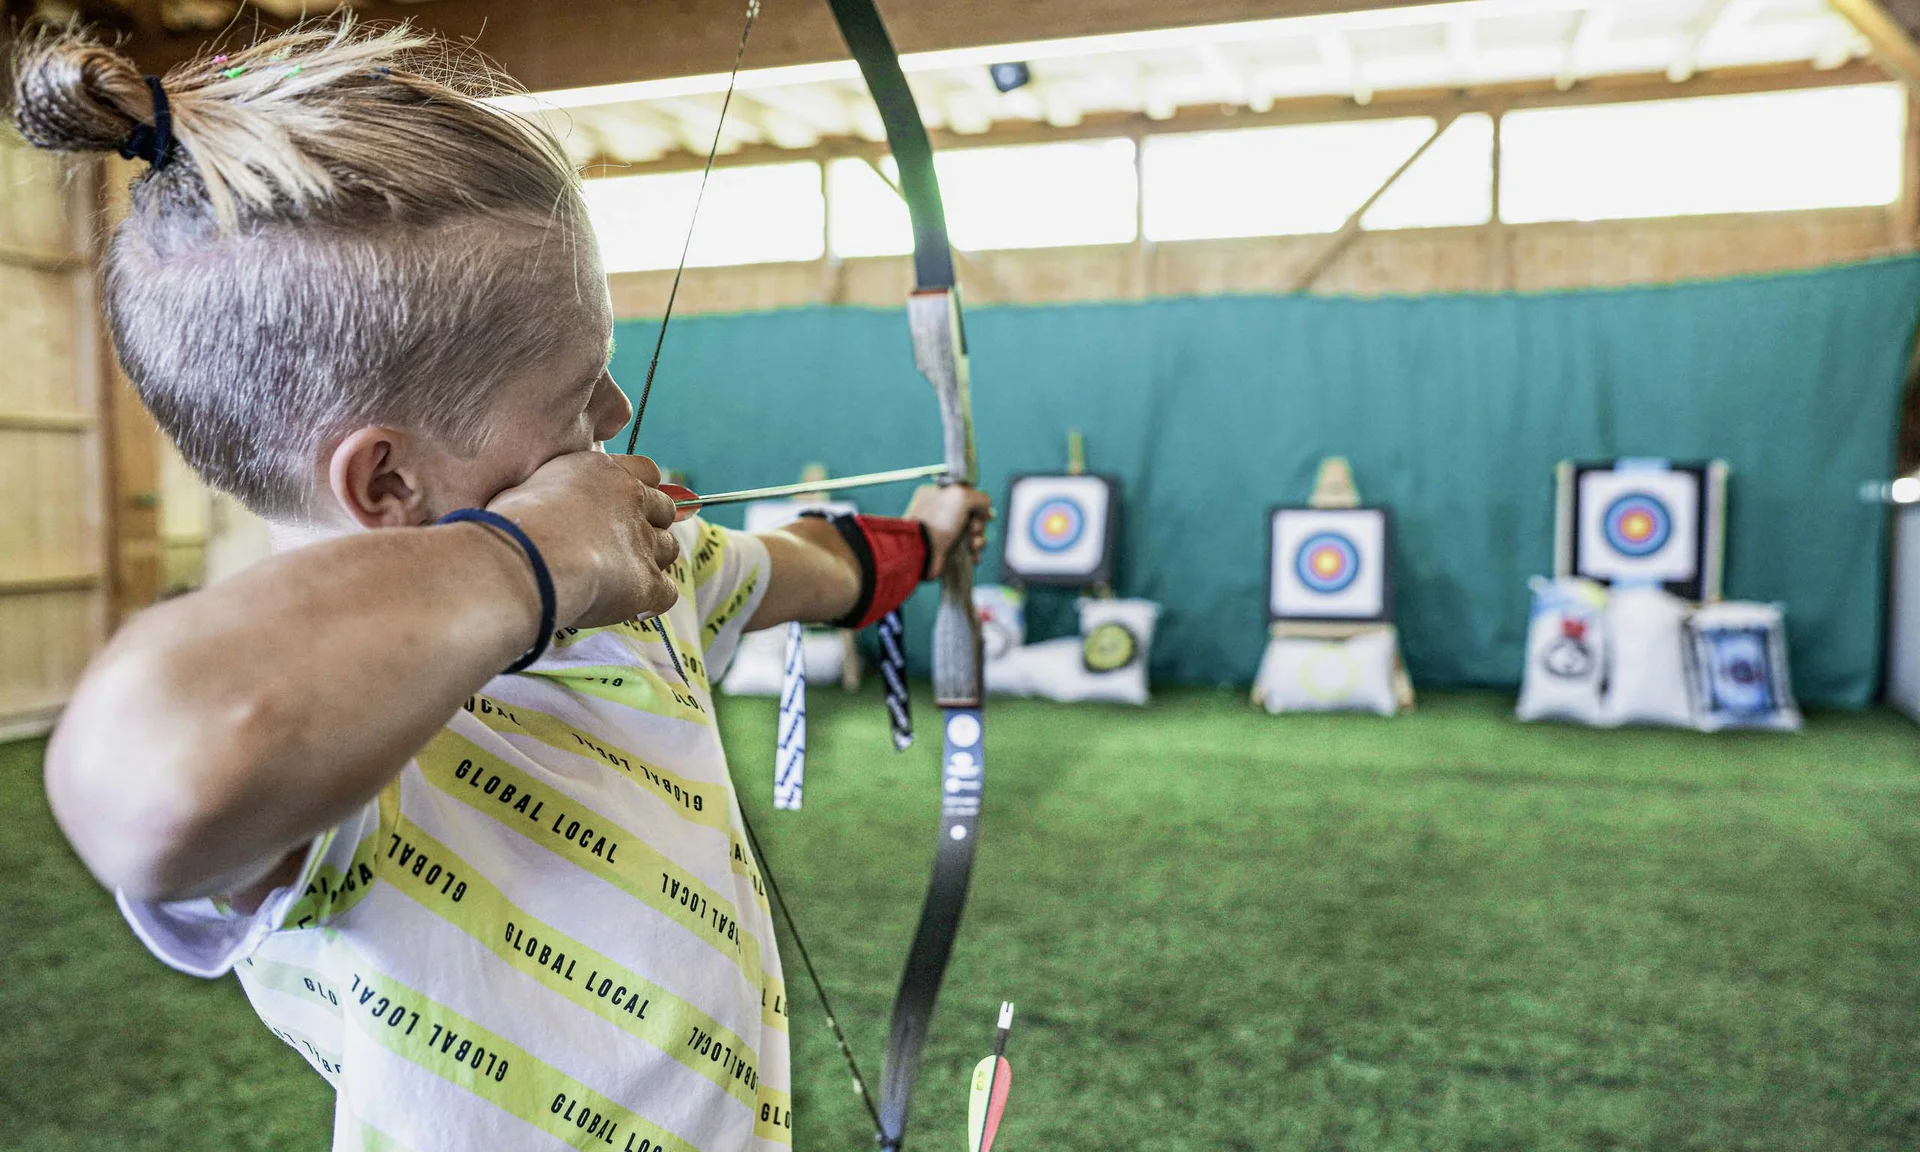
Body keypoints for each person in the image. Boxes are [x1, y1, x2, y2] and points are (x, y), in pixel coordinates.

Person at [12, 20, 990, 1152]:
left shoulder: (640, 577)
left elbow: (814, 569)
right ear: (388, 481)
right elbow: (153, 765)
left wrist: (922, 540)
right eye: (577, 390)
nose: (616, 413)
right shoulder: (343, 764)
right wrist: (528, 559)